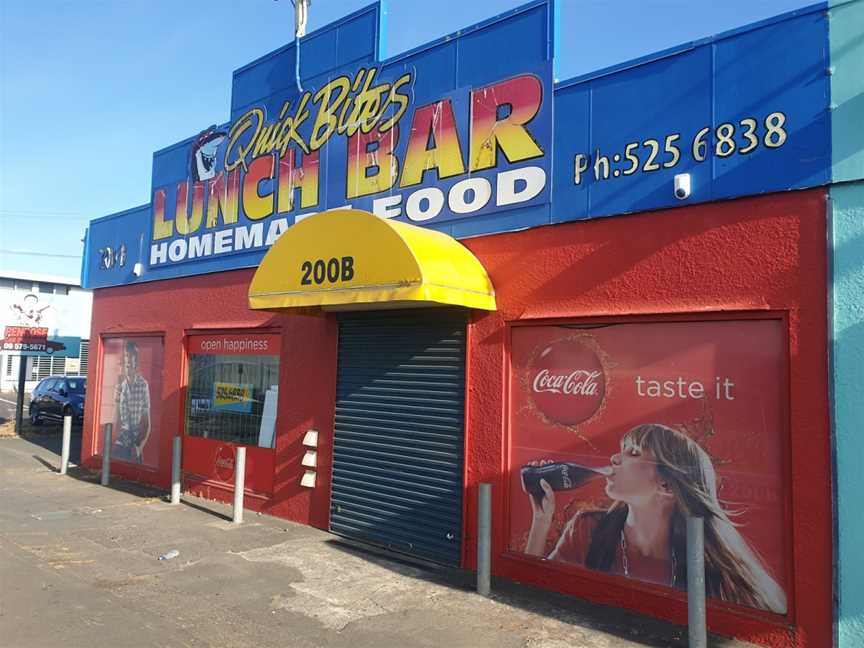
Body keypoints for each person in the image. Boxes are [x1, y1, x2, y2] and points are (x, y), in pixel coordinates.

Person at [523, 423, 787, 614]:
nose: (615, 458)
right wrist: (541, 522)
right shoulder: (588, 528)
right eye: (621, 450)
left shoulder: (709, 568)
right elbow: (536, 595)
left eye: (633, 453)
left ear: (667, 486)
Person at [113, 341, 151, 464]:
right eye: (126, 356)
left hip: (136, 440)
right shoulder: (120, 386)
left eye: (131, 356)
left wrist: (139, 448)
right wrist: (116, 400)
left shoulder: (143, 385)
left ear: (136, 360)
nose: (128, 360)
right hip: (122, 440)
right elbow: (116, 421)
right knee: (115, 468)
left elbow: (147, 424)